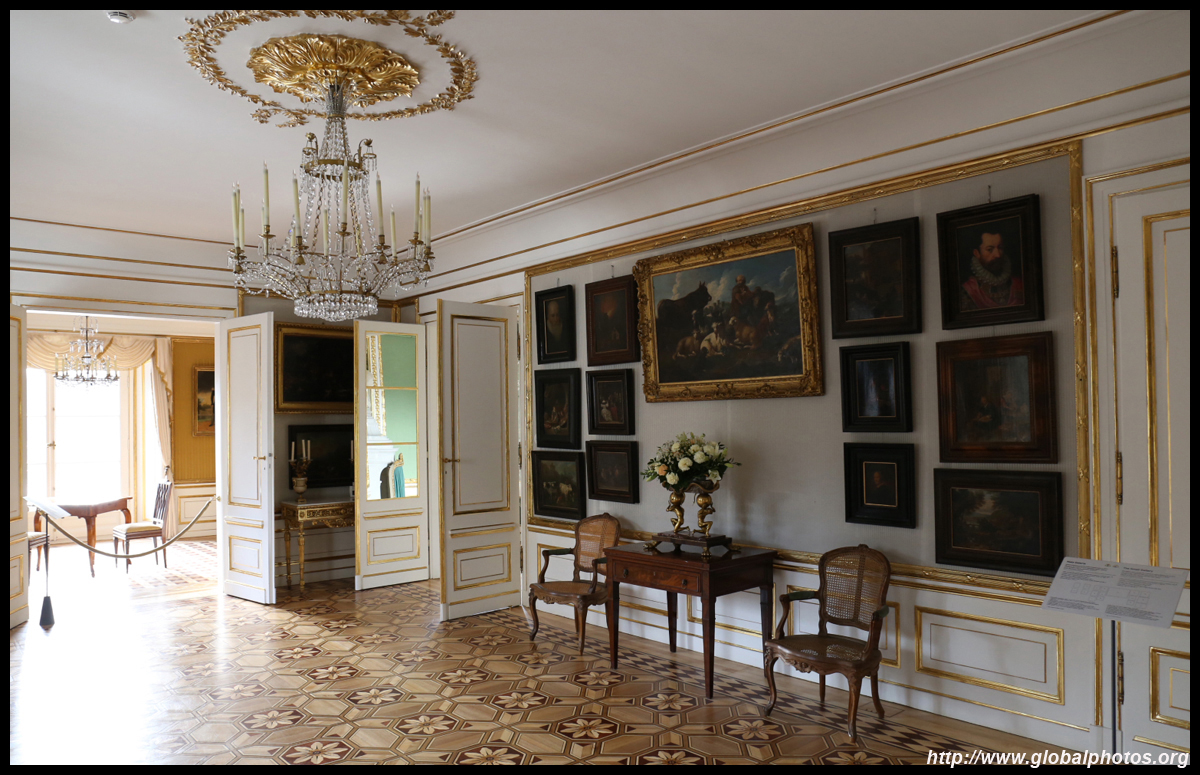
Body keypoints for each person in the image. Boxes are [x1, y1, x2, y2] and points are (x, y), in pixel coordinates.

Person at [960, 228, 1024, 311]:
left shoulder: (1018, 284)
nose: (998, 255)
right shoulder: (969, 290)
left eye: (1000, 248)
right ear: (977, 253)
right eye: (990, 249)